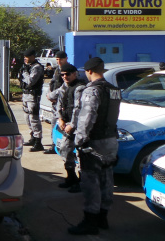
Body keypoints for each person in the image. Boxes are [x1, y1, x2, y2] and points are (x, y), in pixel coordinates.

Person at [68, 57, 121, 235]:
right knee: (107, 178)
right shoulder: (114, 90)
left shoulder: (92, 91)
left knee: (91, 181)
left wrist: (80, 139)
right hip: (111, 140)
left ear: (89, 71)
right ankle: (102, 218)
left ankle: (90, 221)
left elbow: (87, 116)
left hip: (95, 142)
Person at [53, 62, 85, 193]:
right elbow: (58, 104)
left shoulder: (80, 88)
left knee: (80, 155)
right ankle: (71, 178)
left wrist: (72, 124)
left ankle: (82, 182)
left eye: (67, 74)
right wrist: (60, 118)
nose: (65, 77)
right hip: (66, 125)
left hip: (78, 127)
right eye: (62, 75)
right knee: (65, 150)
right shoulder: (64, 87)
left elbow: (78, 109)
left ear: (75, 74)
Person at [19, 48, 45, 152]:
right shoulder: (27, 67)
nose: (25, 58)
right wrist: (23, 73)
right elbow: (19, 77)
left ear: (33, 56)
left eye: (27, 56)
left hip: (33, 96)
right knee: (27, 118)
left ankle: (38, 142)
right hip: (25, 95)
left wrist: (24, 73)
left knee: (34, 119)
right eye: (24, 57)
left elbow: (30, 81)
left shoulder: (37, 67)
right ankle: (33, 137)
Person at [43, 50, 69, 154]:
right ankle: (54, 145)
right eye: (57, 59)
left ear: (66, 59)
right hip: (55, 101)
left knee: (63, 124)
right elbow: (52, 82)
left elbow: (65, 86)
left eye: (61, 59)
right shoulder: (57, 69)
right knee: (54, 123)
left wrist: (53, 95)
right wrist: (49, 94)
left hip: (62, 101)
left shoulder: (68, 70)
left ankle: (63, 145)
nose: (58, 61)